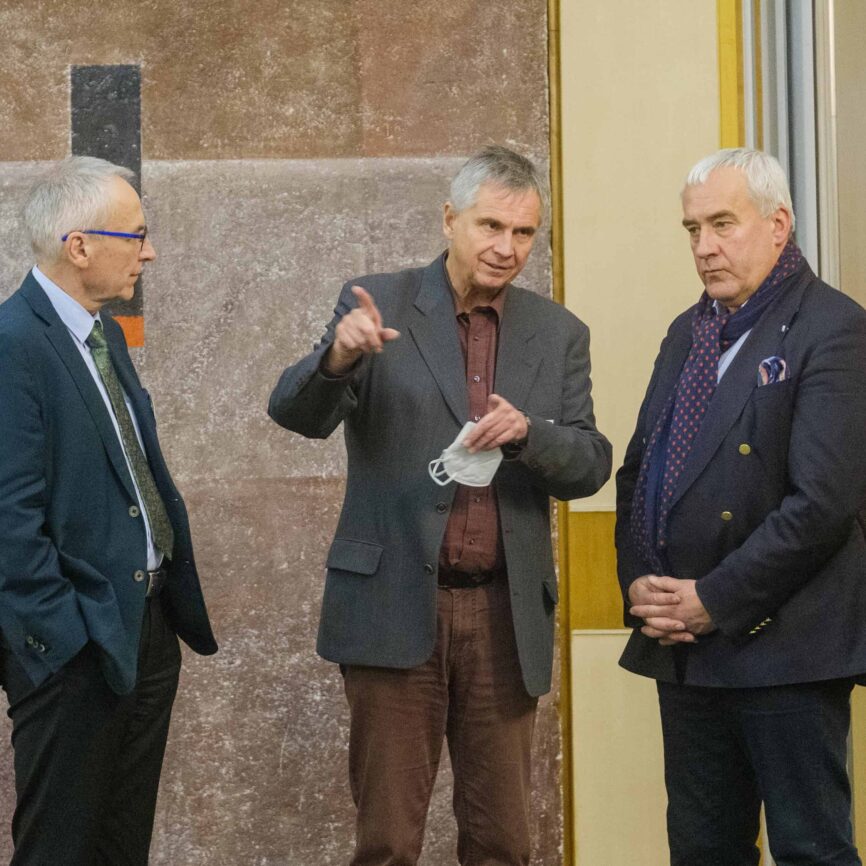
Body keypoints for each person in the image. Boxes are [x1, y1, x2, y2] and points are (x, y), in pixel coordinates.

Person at [269, 145, 611, 865]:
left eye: (523, 233)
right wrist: (339, 357)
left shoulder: (558, 333)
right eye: (491, 226)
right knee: (389, 842)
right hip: (392, 606)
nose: (506, 247)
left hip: (503, 618)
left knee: (502, 843)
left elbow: (589, 464)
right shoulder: (376, 302)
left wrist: (530, 435)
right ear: (449, 218)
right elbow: (296, 414)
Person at [616, 147, 866, 865]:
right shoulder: (687, 332)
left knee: (811, 851)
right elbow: (640, 475)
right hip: (685, 651)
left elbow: (822, 504)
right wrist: (642, 587)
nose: (704, 247)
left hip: (787, 650)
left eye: (722, 224)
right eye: (692, 229)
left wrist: (714, 599)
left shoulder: (834, 327)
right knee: (702, 852)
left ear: (778, 224)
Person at [0, 156, 217, 865]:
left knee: (123, 846)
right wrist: (62, 642)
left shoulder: (104, 334)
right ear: (80, 246)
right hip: (76, 646)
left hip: (147, 627)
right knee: (60, 847)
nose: (148, 253)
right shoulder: (12, 344)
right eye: (137, 235)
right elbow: (8, 521)